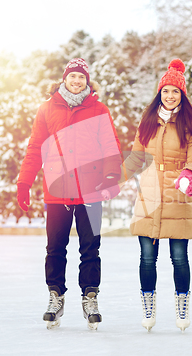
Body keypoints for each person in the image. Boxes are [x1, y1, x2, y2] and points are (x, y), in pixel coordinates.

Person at [16, 58, 122, 330]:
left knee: (90, 248)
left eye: (82, 78)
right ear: (64, 79)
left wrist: (111, 178)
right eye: (72, 77)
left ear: (88, 82)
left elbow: (110, 146)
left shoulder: (99, 110)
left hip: (90, 190)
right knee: (55, 247)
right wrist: (24, 183)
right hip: (57, 190)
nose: (77, 82)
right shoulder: (46, 109)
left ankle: (90, 296)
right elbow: (35, 148)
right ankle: (55, 295)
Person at [122, 59, 192, 332]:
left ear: (182, 95)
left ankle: (182, 306)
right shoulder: (147, 121)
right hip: (149, 192)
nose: (170, 96)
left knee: (179, 256)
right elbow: (136, 157)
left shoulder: (190, 122)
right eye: (166, 91)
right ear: (160, 93)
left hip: (178, 192)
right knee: (147, 256)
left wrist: (189, 172)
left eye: (175, 92)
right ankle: (149, 306)